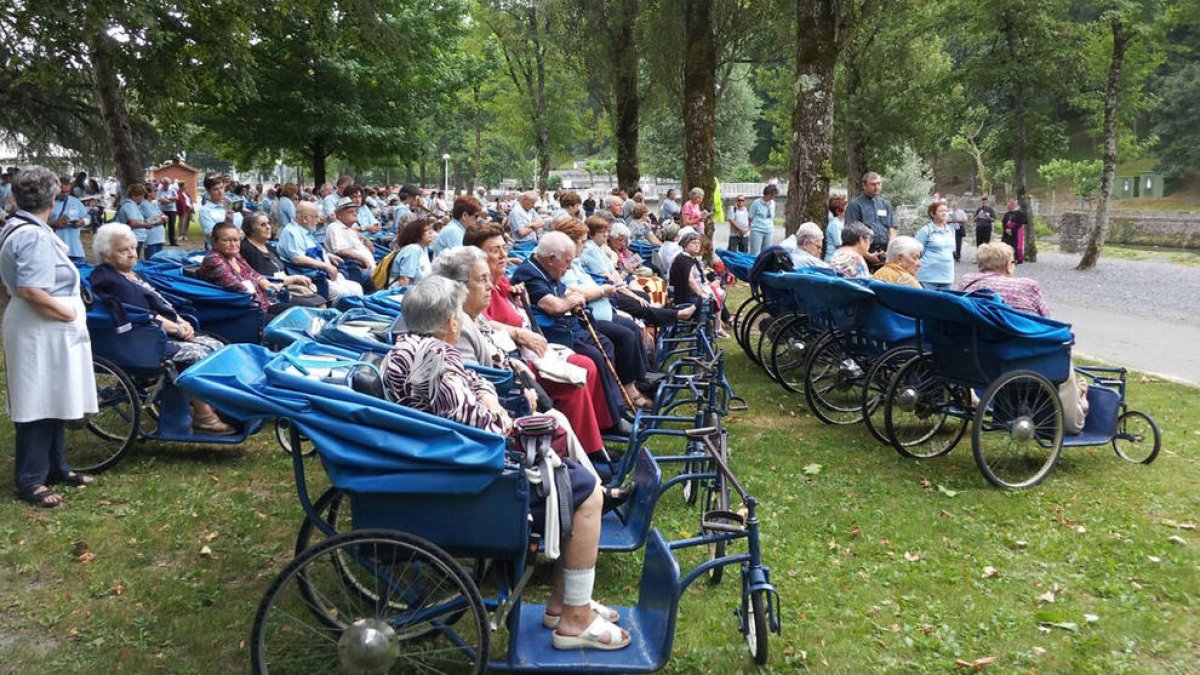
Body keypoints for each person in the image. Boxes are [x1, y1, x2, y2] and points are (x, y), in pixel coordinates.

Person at [382, 276, 629, 651]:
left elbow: (472, 389)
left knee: (577, 479)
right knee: (587, 491)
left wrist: (489, 400)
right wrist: (510, 419)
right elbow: (478, 424)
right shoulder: (437, 359)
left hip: (448, 462)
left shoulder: (407, 349)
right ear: (451, 322)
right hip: (472, 477)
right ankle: (573, 616)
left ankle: (565, 603)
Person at [468, 224, 626, 443]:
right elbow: (478, 322)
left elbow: (523, 310)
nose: (504, 255)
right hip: (513, 358)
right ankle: (588, 447)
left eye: (504, 248)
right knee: (580, 370)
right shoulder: (473, 288)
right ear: (476, 255)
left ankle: (601, 430)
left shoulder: (502, 282)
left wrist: (520, 304)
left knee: (589, 362)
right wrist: (518, 332)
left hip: (532, 346)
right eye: (495, 250)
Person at [0, 167, 99, 508]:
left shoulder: (25, 227)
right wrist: (68, 313)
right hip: (40, 327)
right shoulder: (33, 235)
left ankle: (56, 467)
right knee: (37, 400)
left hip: (44, 327)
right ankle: (30, 479)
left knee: (56, 394)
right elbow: (31, 289)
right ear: (54, 199)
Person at [89, 224, 236, 435]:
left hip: (157, 333)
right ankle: (203, 416)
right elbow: (138, 314)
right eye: (124, 250)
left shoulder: (132, 275)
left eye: (133, 247)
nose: (132, 253)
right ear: (106, 255)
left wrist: (181, 320)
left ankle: (214, 405)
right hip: (139, 341)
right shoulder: (109, 279)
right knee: (197, 354)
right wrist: (176, 328)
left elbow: (159, 304)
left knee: (217, 346)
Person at [960, 242, 1089, 434]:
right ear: (1006, 265)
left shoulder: (968, 281)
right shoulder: (1025, 285)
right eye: (1013, 262)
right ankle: (1076, 414)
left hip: (976, 351)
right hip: (1015, 354)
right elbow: (1047, 319)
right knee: (1063, 355)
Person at [511, 231, 641, 420]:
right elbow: (554, 306)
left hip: (566, 325)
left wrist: (572, 300)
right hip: (551, 332)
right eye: (567, 262)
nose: (569, 267)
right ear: (552, 259)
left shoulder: (548, 268)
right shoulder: (529, 273)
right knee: (595, 355)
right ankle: (611, 417)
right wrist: (572, 301)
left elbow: (563, 295)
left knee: (606, 344)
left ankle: (615, 408)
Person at [579, 217, 693, 328]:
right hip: (609, 293)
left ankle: (659, 319)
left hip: (617, 286)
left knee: (643, 295)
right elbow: (610, 278)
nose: (605, 235)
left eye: (606, 231)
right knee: (639, 303)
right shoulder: (590, 249)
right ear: (591, 234)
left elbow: (615, 276)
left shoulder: (599, 249)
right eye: (601, 232)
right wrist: (632, 291)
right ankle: (676, 315)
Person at [276, 201, 363, 302]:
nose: (319, 220)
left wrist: (329, 255)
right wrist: (325, 266)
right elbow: (297, 258)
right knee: (344, 294)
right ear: (305, 218)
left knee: (356, 288)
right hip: (312, 279)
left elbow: (315, 250)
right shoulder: (291, 232)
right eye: (316, 216)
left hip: (325, 275)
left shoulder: (305, 231)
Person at [238, 212, 325, 307]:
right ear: (251, 230)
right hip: (271, 295)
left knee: (320, 301)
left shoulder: (267, 246)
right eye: (263, 225)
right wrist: (293, 279)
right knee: (317, 305)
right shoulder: (247, 249)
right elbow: (262, 279)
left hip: (285, 287)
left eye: (268, 223)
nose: (268, 227)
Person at [668, 232, 728, 337]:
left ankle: (716, 327)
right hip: (685, 295)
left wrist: (707, 280)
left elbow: (695, 276)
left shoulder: (689, 258)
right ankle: (710, 327)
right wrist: (701, 293)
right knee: (713, 296)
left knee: (720, 292)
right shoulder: (683, 259)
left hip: (691, 290)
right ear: (686, 245)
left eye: (698, 244)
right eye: (694, 243)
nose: (697, 246)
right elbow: (690, 280)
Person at [843, 171, 894, 268]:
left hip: (885, 251)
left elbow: (892, 229)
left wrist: (890, 251)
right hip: (864, 251)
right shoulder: (855, 205)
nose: (877, 187)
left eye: (879, 183)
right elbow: (851, 233)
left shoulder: (885, 204)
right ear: (864, 185)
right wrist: (866, 255)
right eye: (873, 184)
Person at [324, 197, 376, 290]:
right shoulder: (335, 227)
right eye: (350, 211)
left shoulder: (350, 229)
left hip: (366, 268)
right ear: (339, 215)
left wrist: (365, 239)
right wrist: (363, 259)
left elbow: (372, 249)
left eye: (355, 211)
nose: (355, 213)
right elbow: (340, 250)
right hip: (353, 269)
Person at [914, 201, 956, 291]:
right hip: (928, 277)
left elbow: (951, 251)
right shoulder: (926, 231)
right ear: (932, 214)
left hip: (947, 276)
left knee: (945, 304)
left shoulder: (951, 230)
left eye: (946, 210)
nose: (944, 213)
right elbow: (916, 251)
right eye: (941, 211)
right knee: (927, 303)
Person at [386, 216, 435, 288]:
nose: (431, 233)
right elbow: (404, 281)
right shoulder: (412, 250)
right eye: (427, 231)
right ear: (418, 234)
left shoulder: (423, 249)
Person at [49, 179, 89, 263]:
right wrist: (54, 223)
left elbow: (88, 217)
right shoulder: (47, 202)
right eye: (63, 192)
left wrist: (83, 222)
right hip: (55, 250)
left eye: (68, 192)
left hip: (75, 251)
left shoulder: (76, 202)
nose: (65, 194)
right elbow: (38, 223)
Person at [198, 174, 242, 246]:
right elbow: (212, 237)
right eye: (216, 189)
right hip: (221, 250)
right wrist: (227, 222)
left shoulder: (232, 203)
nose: (220, 192)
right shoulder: (205, 210)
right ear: (208, 191)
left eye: (222, 188)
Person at [114, 183, 149, 257]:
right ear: (134, 196)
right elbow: (133, 223)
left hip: (137, 238)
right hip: (133, 238)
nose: (142, 198)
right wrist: (146, 225)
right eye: (141, 196)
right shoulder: (129, 206)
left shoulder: (133, 205)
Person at [138, 182, 168, 259]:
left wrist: (160, 218)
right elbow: (152, 220)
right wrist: (161, 219)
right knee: (151, 260)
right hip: (151, 238)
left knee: (158, 261)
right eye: (154, 191)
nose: (156, 193)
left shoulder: (154, 204)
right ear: (148, 193)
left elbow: (164, 217)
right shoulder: (144, 205)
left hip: (159, 236)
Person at [747, 184, 778, 255]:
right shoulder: (756, 203)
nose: (773, 197)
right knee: (755, 253)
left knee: (766, 253)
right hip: (757, 230)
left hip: (769, 229)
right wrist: (752, 227)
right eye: (771, 195)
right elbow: (750, 217)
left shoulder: (773, 203)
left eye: (774, 195)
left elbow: (772, 216)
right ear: (767, 194)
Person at [1000, 198, 1028, 264]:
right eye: (1008, 206)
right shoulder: (1006, 214)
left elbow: (1020, 223)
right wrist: (1006, 229)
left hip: (1016, 231)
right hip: (1006, 232)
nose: (1008, 207)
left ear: (1013, 206)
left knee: (1014, 245)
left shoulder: (1019, 213)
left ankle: (1014, 258)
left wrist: (1012, 230)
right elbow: (1004, 223)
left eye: (1010, 206)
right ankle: (1005, 258)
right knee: (1006, 244)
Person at [155, 178, 180, 247]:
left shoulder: (172, 189)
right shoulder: (159, 191)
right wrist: (171, 200)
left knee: (172, 226)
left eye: (167, 184)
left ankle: (172, 241)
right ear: (162, 184)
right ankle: (161, 241)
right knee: (162, 226)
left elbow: (176, 197)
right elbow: (160, 200)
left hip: (172, 210)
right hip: (162, 210)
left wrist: (168, 199)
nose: (166, 185)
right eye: (165, 184)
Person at [824, 195, 846, 262]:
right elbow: (839, 244)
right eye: (845, 207)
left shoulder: (842, 223)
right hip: (832, 259)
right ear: (838, 211)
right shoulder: (835, 224)